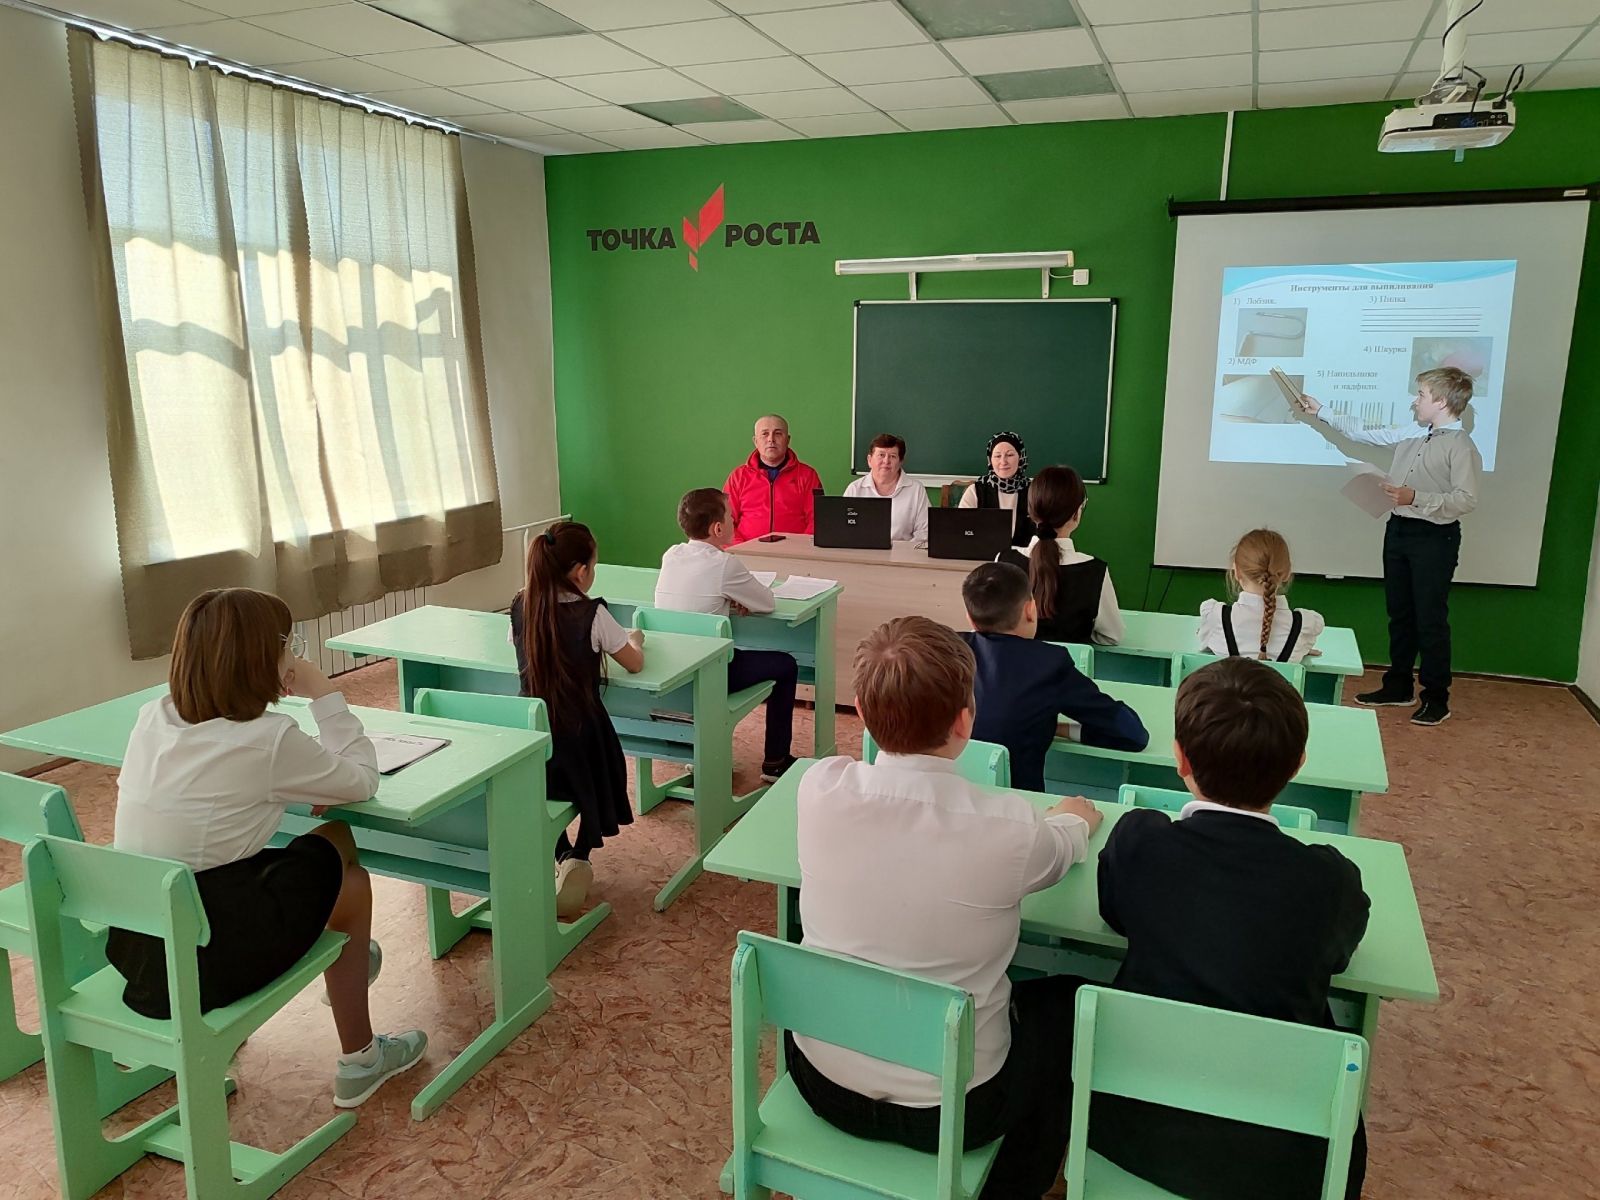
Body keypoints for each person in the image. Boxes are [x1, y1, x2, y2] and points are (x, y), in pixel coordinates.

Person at [788, 615, 1104, 1200]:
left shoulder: (818, 787)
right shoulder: (1009, 828)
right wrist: (1075, 818)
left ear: (861, 712)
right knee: (1067, 1008)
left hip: (822, 1082)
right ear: (965, 720)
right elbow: (1062, 848)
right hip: (957, 1111)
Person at [107, 588, 427, 1109]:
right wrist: (323, 691)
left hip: (141, 946)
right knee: (351, 883)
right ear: (263, 659)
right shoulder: (269, 739)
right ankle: (361, 1057)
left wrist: (313, 778)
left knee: (335, 840)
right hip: (199, 964)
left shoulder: (153, 715)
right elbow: (365, 780)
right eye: (288, 646)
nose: (292, 656)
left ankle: (355, 953)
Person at [1092, 657, 1371, 1200]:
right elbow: (1339, 955)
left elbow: (1114, 912)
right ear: (1298, 765)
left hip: (1135, 1136)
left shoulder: (1140, 844)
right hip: (1280, 1159)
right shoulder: (1328, 880)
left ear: (1179, 757)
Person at [1296, 367, 1480, 725]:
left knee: (1430, 619)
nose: (1415, 401)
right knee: (1400, 613)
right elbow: (1365, 432)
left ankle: (1436, 698)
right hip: (1399, 530)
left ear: (1442, 401)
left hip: (1434, 538)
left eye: (1421, 395)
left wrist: (1416, 497)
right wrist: (1321, 411)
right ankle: (1398, 685)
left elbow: (1466, 499)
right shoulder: (1415, 432)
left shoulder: (1461, 446)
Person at [510, 521, 645, 917]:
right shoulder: (592, 613)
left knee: (544, 787)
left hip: (533, 730)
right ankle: (580, 855)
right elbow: (633, 663)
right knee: (605, 768)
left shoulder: (521, 605)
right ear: (581, 571)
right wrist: (634, 640)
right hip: (582, 735)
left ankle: (562, 853)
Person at [960, 562, 1148, 792]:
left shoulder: (947, 653)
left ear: (970, 619)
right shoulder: (1049, 665)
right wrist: (1061, 728)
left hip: (950, 797)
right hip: (1024, 804)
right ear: (1031, 610)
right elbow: (1132, 734)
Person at [655, 488, 800, 781]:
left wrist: (729, 597)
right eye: (731, 516)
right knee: (786, 665)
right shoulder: (724, 564)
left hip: (674, 669)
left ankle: (695, 752)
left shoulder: (671, 555)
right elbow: (766, 603)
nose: (735, 520)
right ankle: (775, 761)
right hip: (711, 674)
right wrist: (738, 597)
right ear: (718, 528)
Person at [998, 464, 1123, 645]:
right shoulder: (1095, 571)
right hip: (1068, 663)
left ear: (1031, 511)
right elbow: (1111, 636)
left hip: (1011, 663)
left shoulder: (1003, 561)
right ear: (1076, 513)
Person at [1199, 529, 1325, 663]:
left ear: (1236, 572)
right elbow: (1304, 646)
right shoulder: (1304, 625)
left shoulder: (1216, 618)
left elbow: (1204, 644)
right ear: (1287, 573)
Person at [724, 413, 824, 544]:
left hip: (794, 552)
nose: (771, 439)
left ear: (787, 440)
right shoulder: (738, 477)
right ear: (755, 441)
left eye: (778, 434)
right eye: (765, 434)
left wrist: (801, 548)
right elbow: (725, 520)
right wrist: (741, 549)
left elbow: (817, 519)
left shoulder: (808, 475)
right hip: (745, 551)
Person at [842, 432, 929, 542]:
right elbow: (843, 528)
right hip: (863, 550)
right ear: (869, 460)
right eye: (881, 455)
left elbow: (924, 532)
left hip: (902, 551)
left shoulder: (916, 490)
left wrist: (902, 550)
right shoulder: (854, 489)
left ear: (900, 462)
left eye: (892, 456)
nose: (886, 461)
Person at [958, 430, 1035, 546]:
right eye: (997, 456)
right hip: (983, 556)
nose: (1003, 462)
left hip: (1026, 557)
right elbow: (961, 533)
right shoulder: (976, 491)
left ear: (1021, 457)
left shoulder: (1034, 491)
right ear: (990, 460)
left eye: (1009, 455)